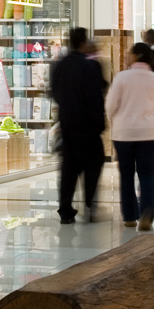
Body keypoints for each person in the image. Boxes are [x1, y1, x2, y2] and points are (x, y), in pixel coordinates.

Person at [106, 43, 154, 230]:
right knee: (147, 174)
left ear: (134, 56)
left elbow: (110, 105)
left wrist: (114, 121)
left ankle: (130, 217)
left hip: (124, 133)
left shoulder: (122, 77)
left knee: (126, 175)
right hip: (149, 132)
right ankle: (147, 212)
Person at [50, 28, 107, 223]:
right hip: (88, 128)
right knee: (93, 165)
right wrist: (100, 124)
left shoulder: (59, 66)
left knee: (68, 169)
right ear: (82, 43)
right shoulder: (89, 67)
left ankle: (65, 209)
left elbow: (55, 93)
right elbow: (95, 98)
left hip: (67, 126)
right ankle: (90, 204)